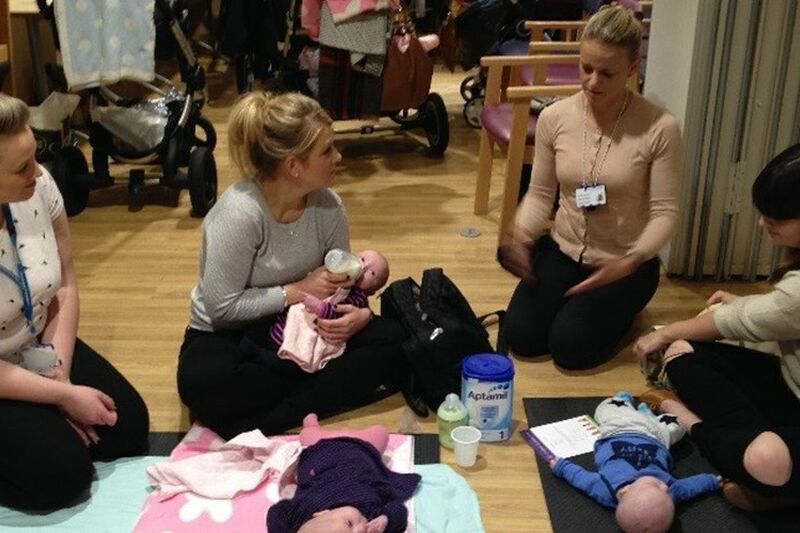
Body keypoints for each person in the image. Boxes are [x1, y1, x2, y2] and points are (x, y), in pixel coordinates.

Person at [176, 91, 408, 440]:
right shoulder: (238, 214)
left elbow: (341, 286)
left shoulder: (329, 207)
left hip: (303, 327)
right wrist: (296, 291)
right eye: (327, 151)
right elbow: (222, 309)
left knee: (392, 339)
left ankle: (256, 421)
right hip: (230, 333)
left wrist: (359, 318)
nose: (338, 157)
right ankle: (304, 401)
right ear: (293, 166)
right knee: (203, 381)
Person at [498, 5, 682, 370]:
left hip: (625, 262)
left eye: (607, 73)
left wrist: (631, 260)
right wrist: (521, 233)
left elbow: (666, 212)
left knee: (570, 348)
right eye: (586, 68)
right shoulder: (554, 117)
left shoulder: (660, 127)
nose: (593, 82)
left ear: (632, 69)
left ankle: (627, 311)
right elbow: (540, 194)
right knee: (522, 337)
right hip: (564, 249)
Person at [0, 94, 149, 510]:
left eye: (35, 156)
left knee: (127, 428)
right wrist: (61, 398)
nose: (37, 172)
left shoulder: (39, 186)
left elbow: (65, 284)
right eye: (21, 168)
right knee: (64, 478)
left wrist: (60, 377)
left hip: (36, 345)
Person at [634, 143, 800, 511]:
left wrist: (663, 332)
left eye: (776, 218)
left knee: (767, 460)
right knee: (685, 354)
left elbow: (743, 320)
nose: (763, 223)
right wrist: (742, 307)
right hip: (789, 385)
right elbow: (776, 316)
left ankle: (690, 422)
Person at [549, 393, 720, 532]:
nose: (666, 486)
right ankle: (644, 412)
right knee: (677, 424)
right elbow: (690, 487)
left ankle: (626, 402)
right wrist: (712, 481)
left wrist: (561, 467)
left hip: (619, 430)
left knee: (607, 409)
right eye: (668, 493)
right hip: (657, 438)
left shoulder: (606, 489)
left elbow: (581, 479)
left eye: (658, 486)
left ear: (626, 490)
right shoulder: (666, 493)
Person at [267, 413, 421, 533]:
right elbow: (397, 509)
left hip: (322, 452)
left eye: (349, 524)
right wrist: (386, 519)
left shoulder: (302, 510)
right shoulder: (371, 516)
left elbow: (277, 512)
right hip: (361, 451)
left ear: (321, 514)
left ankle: (312, 425)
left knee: (307, 435)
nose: (360, 530)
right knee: (380, 433)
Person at [242, 249, 390, 373]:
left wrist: (320, 307)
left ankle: (257, 355)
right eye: (362, 259)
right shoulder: (339, 276)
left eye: (372, 273)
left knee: (277, 361)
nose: (364, 267)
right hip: (286, 322)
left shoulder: (358, 298)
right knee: (266, 334)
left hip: (311, 334)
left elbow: (338, 313)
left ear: (372, 291)